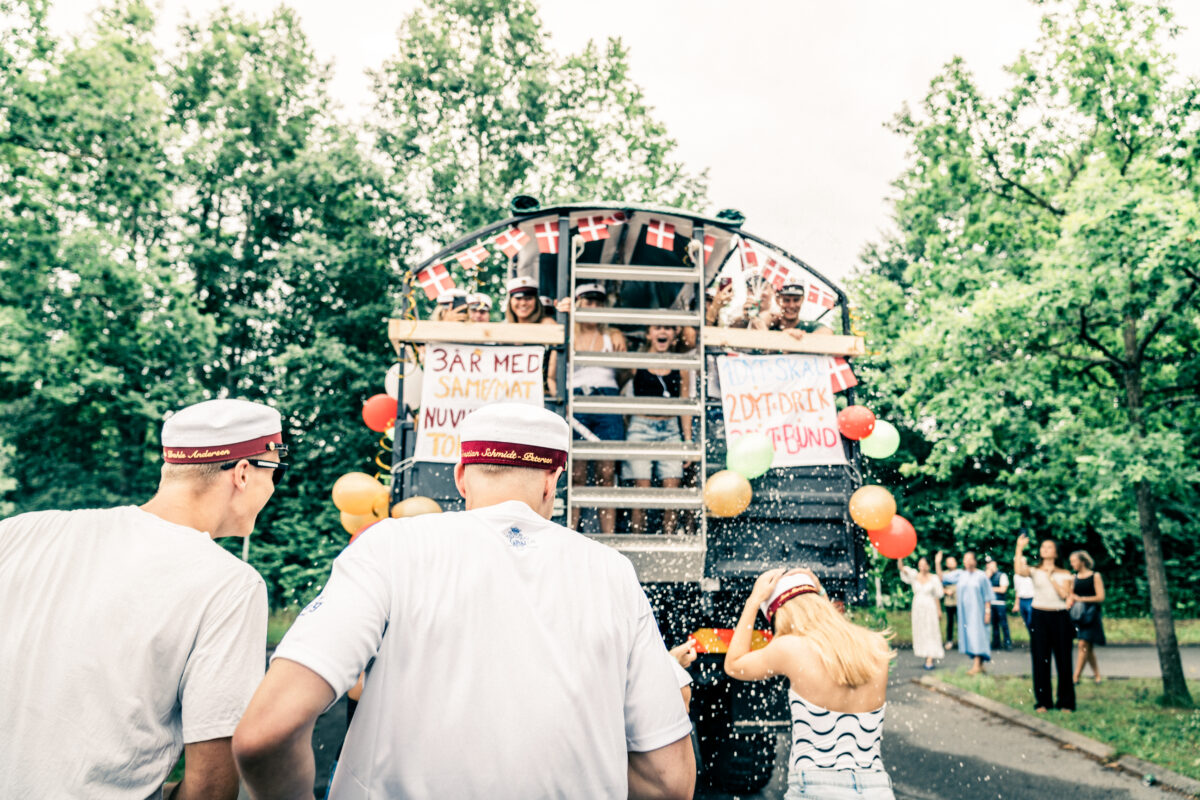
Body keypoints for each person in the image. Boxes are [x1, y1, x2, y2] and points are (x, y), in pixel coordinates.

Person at [233, 402, 694, 800]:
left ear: (460, 477)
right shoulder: (611, 572)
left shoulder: (390, 545)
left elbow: (266, 733)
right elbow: (668, 781)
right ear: (554, 481)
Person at [0, 399, 277, 800]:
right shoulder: (230, 586)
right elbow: (211, 787)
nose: (273, 489)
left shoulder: (20, 532)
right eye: (277, 473)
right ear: (244, 473)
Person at [726, 568, 896, 800]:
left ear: (781, 614)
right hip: (875, 787)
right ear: (821, 604)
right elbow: (836, 639)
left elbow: (734, 665)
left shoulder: (790, 648)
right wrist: (821, 590)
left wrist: (753, 600)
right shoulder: (875, 646)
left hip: (817, 785)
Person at [569, 282, 627, 534]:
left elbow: (626, 372)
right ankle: (571, 532)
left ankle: (608, 535)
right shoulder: (567, 333)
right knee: (577, 474)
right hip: (578, 400)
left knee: (606, 472)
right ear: (578, 303)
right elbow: (552, 374)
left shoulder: (611, 335)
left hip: (606, 400)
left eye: (597, 302)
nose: (592, 306)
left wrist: (611, 391)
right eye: (587, 301)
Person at [626, 324, 693, 535]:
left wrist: (687, 440)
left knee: (672, 491)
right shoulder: (636, 362)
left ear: (674, 336)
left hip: (670, 427)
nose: (662, 332)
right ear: (648, 334)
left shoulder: (681, 365)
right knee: (642, 491)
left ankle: (668, 538)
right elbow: (622, 394)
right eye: (657, 328)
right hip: (640, 426)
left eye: (668, 328)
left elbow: (684, 404)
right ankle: (637, 540)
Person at [1014, 534, 1076, 712]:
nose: (1044, 549)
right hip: (1039, 615)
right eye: (1042, 547)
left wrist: (1051, 578)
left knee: (1064, 660)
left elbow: (1065, 596)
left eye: (1049, 547)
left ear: (1056, 553)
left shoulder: (1065, 574)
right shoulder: (1034, 570)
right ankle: (1043, 701)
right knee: (1040, 659)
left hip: (1060, 616)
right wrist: (1019, 548)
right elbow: (1019, 570)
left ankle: (1066, 702)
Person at [504, 276, 559, 395]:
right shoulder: (504, 331)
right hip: (510, 396)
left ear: (536, 301)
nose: (523, 303)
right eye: (518, 298)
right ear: (510, 301)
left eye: (528, 298)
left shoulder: (547, 324)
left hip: (541, 395)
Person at [950, 552, 995, 675]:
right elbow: (942, 579)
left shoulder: (981, 576)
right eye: (966, 559)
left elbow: (988, 596)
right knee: (969, 636)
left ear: (975, 561)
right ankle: (980, 665)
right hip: (965, 613)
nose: (968, 562)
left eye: (970, 559)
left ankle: (976, 665)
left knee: (978, 636)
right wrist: (937, 563)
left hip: (978, 611)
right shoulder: (961, 575)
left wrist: (987, 612)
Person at [898, 556, 943, 670]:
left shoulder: (933, 578)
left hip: (930, 606)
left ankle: (930, 657)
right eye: (920, 564)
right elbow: (902, 569)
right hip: (918, 607)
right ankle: (924, 652)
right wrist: (900, 557)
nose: (922, 567)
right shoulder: (914, 576)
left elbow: (936, 595)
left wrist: (939, 610)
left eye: (924, 564)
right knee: (921, 630)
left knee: (931, 630)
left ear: (928, 565)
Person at [1069, 550, 1106, 684]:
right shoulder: (1074, 578)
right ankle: (1097, 676)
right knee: (1088, 648)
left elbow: (1101, 597)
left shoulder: (1095, 576)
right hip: (1079, 616)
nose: (1072, 564)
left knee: (1083, 644)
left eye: (1074, 561)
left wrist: (1082, 599)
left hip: (1091, 615)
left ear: (1082, 561)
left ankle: (1075, 677)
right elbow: (1071, 595)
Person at [756, 282, 834, 337]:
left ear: (802, 300)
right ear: (777, 300)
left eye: (796, 300)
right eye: (786, 300)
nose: (792, 305)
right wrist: (783, 336)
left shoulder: (809, 327)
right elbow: (757, 322)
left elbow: (827, 333)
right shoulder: (772, 325)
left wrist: (800, 337)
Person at [985, 556, 1012, 651]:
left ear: (995, 564)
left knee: (1004, 624)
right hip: (991, 603)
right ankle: (996, 643)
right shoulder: (986, 576)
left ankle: (1007, 642)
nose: (989, 566)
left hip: (1000, 603)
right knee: (994, 624)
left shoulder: (1002, 575)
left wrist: (990, 589)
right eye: (988, 564)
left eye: (991, 563)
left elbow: (1003, 589)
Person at [934, 552, 961, 648]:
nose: (951, 563)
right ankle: (949, 640)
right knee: (950, 622)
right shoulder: (944, 574)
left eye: (953, 561)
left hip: (960, 602)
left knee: (961, 622)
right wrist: (946, 591)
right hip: (949, 602)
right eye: (949, 562)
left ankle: (962, 641)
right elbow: (938, 585)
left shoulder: (961, 573)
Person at [1012, 566, 1035, 632]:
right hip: (1022, 600)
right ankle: (1032, 637)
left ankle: (1035, 636)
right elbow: (1017, 591)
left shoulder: (1031, 574)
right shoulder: (1016, 576)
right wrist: (1016, 604)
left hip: (1031, 599)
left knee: (1031, 621)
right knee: (1026, 621)